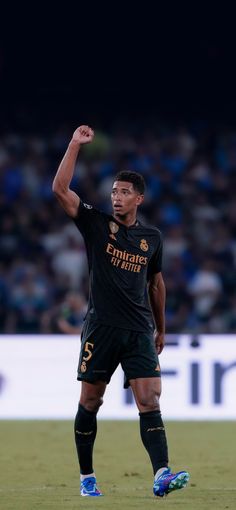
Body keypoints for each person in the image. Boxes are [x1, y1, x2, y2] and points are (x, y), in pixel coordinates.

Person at [52, 125, 190, 498]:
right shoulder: (97, 225)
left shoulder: (152, 239)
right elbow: (61, 191)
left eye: (124, 192)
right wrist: (74, 145)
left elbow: (156, 284)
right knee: (91, 402)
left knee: (149, 399)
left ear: (139, 199)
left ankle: (161, 474)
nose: (116, 197)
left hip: (138, 331)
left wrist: (161, 328)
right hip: (101, 328)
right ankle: (87, 477)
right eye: (114, 191)